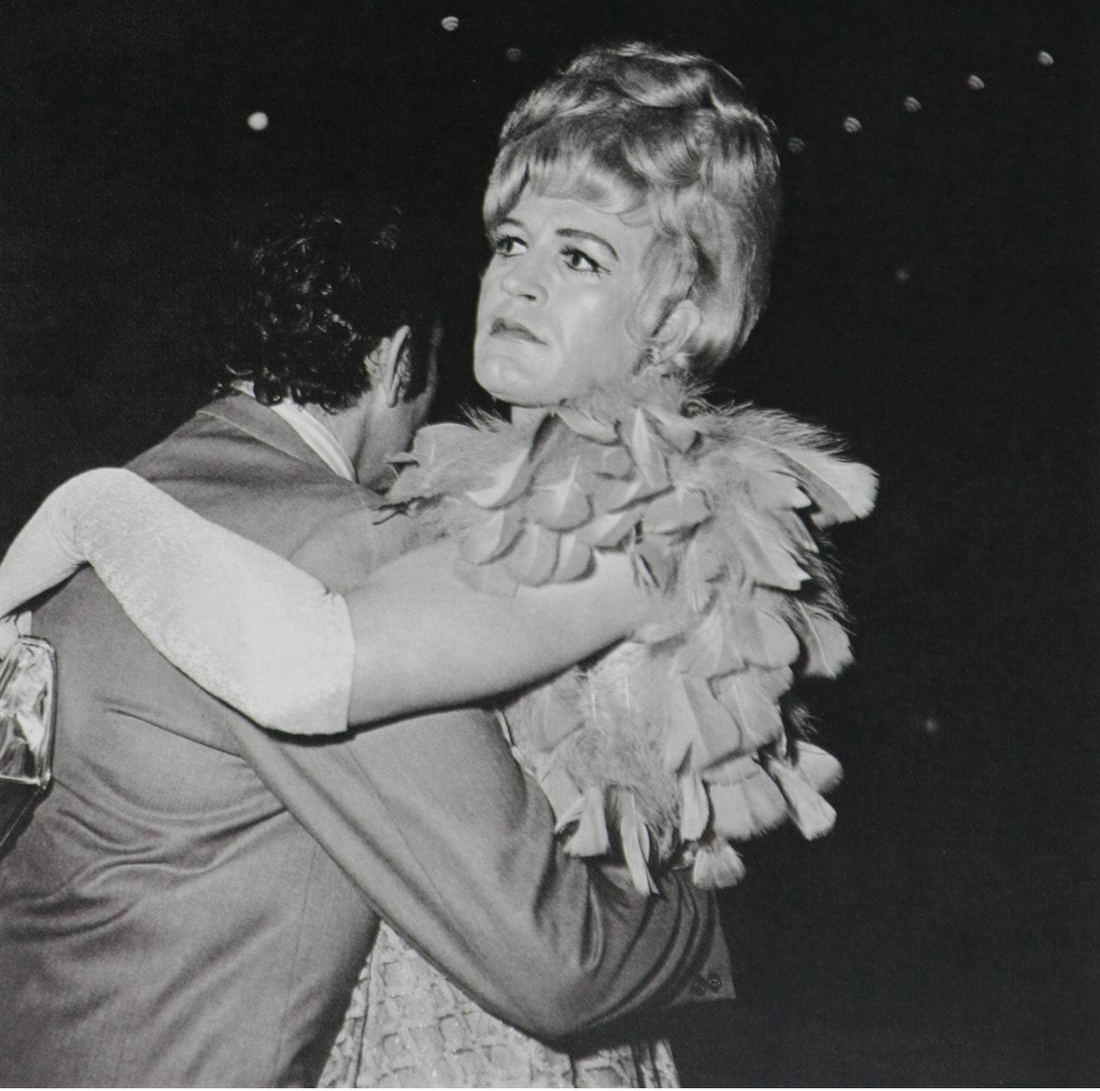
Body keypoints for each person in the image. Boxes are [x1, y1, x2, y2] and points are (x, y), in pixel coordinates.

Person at [0, 194, 728, 1088]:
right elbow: (555, 964)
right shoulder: (349, 547)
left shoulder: (131, 502)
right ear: (394, 361)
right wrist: (694, 916)